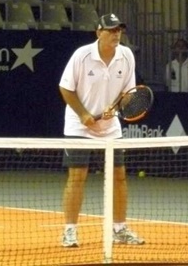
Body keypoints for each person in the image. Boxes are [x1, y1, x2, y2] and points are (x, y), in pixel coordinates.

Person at [58, 13, 145, 248]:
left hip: (110, 127)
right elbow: (66, 89)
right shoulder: (82, 55)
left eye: (119, 30)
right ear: (99, 32)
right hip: (79, 125)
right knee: (77, 177)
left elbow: (129, 93)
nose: (116, 34)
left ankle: (119, 229)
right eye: (111, 30)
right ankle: (69, 231)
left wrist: (116, 107)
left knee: (119, 176)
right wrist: (84, 114)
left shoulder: (126, 56)